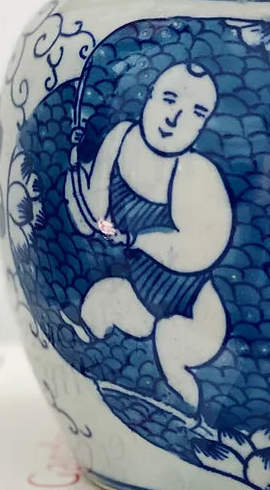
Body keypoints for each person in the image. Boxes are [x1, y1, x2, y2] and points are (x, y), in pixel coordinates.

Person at [65, 62, 232, 414]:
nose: (175, 118)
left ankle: (194, 421)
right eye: (169, 100)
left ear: (203, 125)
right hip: (141, 294)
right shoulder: (121, 138)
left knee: (170, 348)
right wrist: (75, 174)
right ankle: (95, 397)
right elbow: (95, 215)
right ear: (150, 96)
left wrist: (137, 239)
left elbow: (199, 250)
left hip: (191, 308)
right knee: (98, 305)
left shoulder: (196, 173)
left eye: (195, 113)